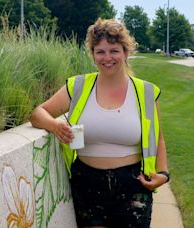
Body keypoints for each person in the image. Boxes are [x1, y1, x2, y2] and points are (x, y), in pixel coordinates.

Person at [29, 18, 169, 228]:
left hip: (132, 184)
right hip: (87, 182)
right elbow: (38, 113)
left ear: (126, 52)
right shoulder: (78, 86)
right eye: (100, 51)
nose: (107, 58)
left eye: (114, 50)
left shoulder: (147, 92)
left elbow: (157, 138)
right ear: (93, 54)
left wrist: (164, 175)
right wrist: (55, 125)